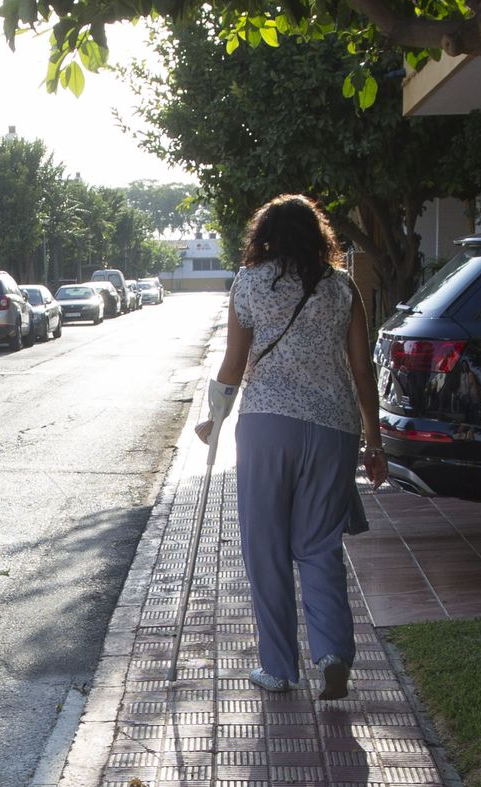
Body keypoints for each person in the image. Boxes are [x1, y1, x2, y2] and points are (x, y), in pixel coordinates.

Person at [195, 194, 387, 701]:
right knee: (320, 545)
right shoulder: (342, 287)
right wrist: (375, 439)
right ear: (317, 235)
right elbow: (362, 370)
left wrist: (213, 419)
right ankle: (332, 655)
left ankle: (279, 668)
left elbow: (233, 365)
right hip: (333, 427)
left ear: (265, 236)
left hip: (266, 426)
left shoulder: (249, 282)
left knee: (266, 549)